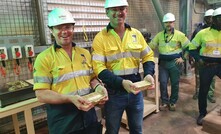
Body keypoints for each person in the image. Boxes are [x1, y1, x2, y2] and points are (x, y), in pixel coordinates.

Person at [33, 8, 108, 134]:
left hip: (89, 118)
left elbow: (92, 79)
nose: (64, 32)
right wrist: (70, 98)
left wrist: (98, 88)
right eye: (58, 28)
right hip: (64, 123)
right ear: (51, 30)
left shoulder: (84, 54)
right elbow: (41, 94)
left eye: (68, 27)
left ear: (73, 28)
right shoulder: (44, 58)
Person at [92, 0, 155, 133]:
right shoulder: (100, 38)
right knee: (112, 130)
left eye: (121, 8)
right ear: (107, 12)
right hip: (114, 94)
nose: (118, 12)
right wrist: (121, 83)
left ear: (126, 11)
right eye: (113, 9)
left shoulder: (136, 34)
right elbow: (98, 68)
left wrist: (149, 73)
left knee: (137, 130)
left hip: (136, 92)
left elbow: (148, 56)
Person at [149, 13, 190, 111]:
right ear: (164, 24)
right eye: (166, 22)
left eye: (170, 22)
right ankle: (164, 101)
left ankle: (173, 102)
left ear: (174, 23)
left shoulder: (180, 35)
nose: (168, 24)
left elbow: (189, 47)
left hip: (175, 63)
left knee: (175, 83)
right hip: (163, 63)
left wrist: (183, 59)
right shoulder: (159, 35)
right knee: (163, 82)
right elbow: (150, 47)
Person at [189, 7, 221, 126]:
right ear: (214, 19)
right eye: (220, 18)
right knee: (203, 90)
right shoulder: (203, 33)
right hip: (206, 66)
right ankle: (202, 113)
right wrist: (199, 59)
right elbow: (191, 48)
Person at [191, 9, 216, 103]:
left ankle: (209, 94)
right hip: (200, 59)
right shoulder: (198, 31)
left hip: (213, 59)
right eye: (208, 18)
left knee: (212, 77)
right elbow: (192, 45)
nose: (210, 20)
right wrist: (192, 57)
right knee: (198, 76)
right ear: (205, 19)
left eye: (211, 18)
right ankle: (198, 92)